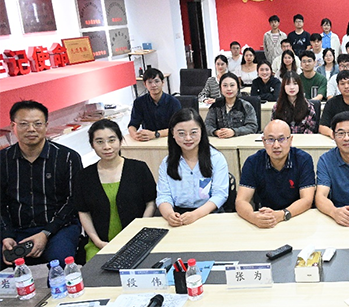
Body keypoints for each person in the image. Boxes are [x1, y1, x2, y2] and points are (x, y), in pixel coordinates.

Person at [0, 101, 81, 265]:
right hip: (16, 229)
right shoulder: (3, 160)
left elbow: (74, 201)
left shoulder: (67, 158)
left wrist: (46, 233)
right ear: (13, 126)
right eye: (24, 124)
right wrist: (6, 235)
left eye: (37, 124)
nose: (31, 129)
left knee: (61, 260)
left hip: (58, 228)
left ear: (46, 125)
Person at [75, 119, 156, 260]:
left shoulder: (139, 168)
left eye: (111, 140)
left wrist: (140, 231)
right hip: (100, 244)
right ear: (92, 145)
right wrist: (97, 242)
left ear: (120, 140)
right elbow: (83, 211)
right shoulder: (84, 176)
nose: (107, 147)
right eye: (100, 142)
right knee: (95, 272)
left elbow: (151, 203)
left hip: (138, 240)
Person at [156, 108, 229, 227]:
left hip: (208, 213)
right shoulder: (167, 163)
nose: (188, 138)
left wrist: (195, 215)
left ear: (202, 131)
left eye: (193, 132)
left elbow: (220, 195)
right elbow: (163, 196)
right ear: (172, 133)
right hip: (178, 215)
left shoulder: (216, 158)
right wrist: (169, 215)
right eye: (181, 133)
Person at [236, 120, 316, 228]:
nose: (276, 145)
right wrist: (253, 217)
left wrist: (281, 215)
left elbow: (307, 200)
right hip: (265, 219)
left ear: (290, 140)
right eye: (270, 140)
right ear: (263, 141)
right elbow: (241, 200)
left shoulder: (303, 160)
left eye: (282, 139)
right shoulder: (253, 162)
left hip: (296, 217)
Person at [128, 68, 181, 142]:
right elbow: (133, 124)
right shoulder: (139, 102)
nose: (153, 85)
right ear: (145, 84)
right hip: (148, 141)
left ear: (163, 83)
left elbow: (178, 128)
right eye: (149, 82)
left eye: (157, 81)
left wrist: (155, 134)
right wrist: (135, 135)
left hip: (169, 139)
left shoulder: (173, 102)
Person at [205, 73, 258, 138]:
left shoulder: (246, 106)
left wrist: (234, 132)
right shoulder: (215, 106)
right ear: (220, 88)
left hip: (240, 141)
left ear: (238, 87)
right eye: (225, 85)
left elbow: (252, 127)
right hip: (220, 140)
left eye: (232, 85)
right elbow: (207, 126)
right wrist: (216, 132)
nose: (229, 89)